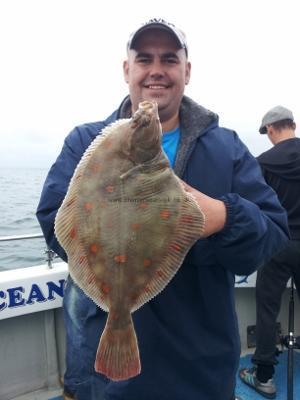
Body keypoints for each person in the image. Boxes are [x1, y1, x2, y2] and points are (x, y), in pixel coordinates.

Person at [36, 19, 289, 400]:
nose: (156, 69)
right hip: (108, 376)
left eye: (169, 59)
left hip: (201, 369)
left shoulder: (227, 148)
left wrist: (222, 217)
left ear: (186, 71)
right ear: (127, 70)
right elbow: (55, 221)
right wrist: (128, 230)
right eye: (144, 59)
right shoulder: (87, 141)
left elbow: (272, 234)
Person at [239, 106, 300, 398]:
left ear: (273, 129)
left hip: (277, 245)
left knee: (266, 309)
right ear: (294, 125)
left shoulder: (262, 163)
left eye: (268, 133)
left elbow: (253, 207)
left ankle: (264, 376)